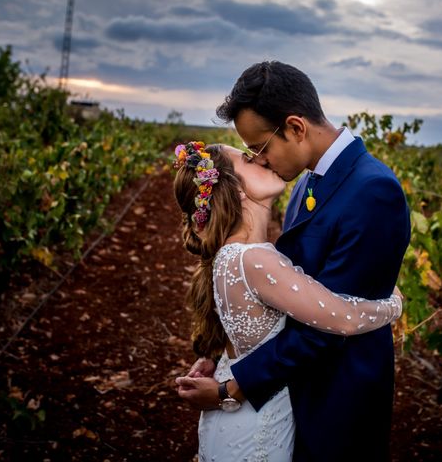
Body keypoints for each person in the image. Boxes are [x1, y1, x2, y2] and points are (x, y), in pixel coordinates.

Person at [176, 61, 411, 461]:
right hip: (291, 393)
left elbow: (325, 330)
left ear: (296, 128)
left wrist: (231, 388)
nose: (261, 161)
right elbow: (276, 296)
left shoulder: (374, 191)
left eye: (260, 148)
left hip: (337, 402)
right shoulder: (304, 180)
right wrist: (224, 355)